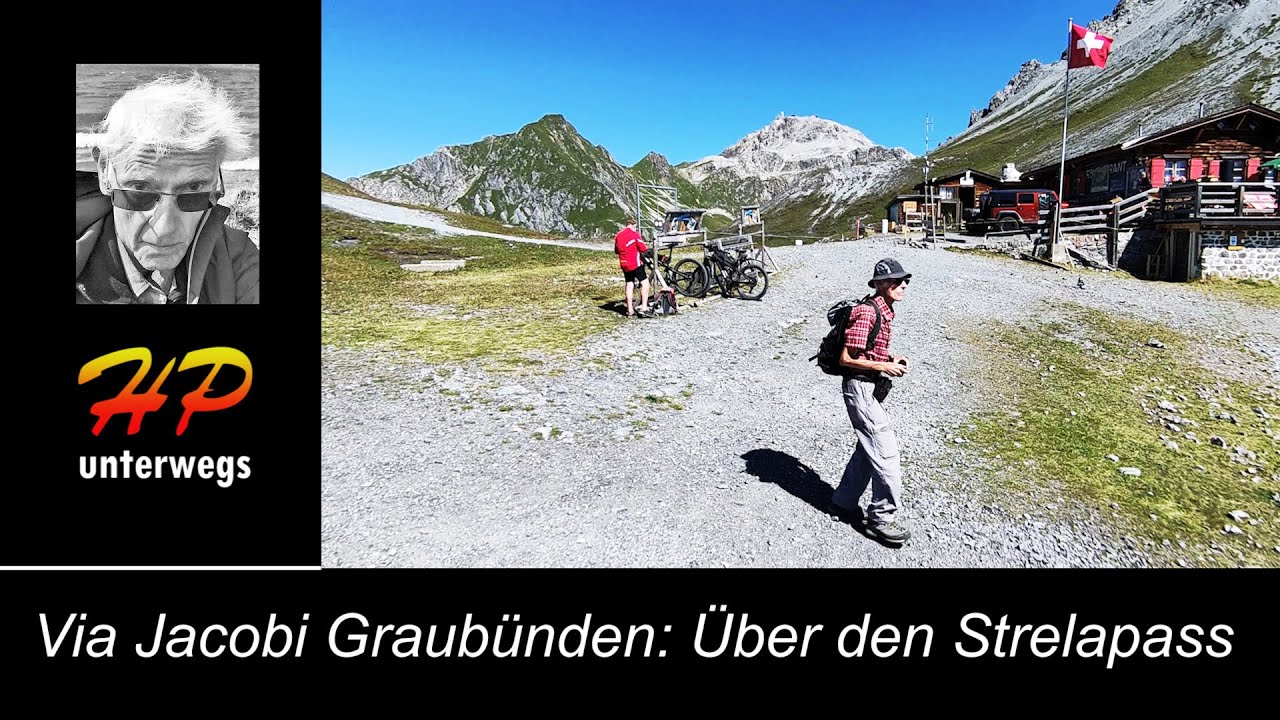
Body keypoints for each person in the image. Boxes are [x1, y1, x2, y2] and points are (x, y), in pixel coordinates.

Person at [76, 72, 259, 304]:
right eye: (140, 189)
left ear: (216, 181)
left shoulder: (237, 256)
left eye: (193, 189)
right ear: (105, 171)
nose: (165, 229)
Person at [830, 257, 913, 544]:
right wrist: (883, 367)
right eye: (896, 281)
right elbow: (847, 358)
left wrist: (890, 357)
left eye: (904, 281)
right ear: (879, 284)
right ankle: (881, 519)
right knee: (886, 453)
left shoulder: (884, 310)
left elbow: (869, 350)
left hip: (868, 388)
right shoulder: (867, 312)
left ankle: (843, 501)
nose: (902, 285)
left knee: (868, 449)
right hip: (860, 390)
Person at [614, 217, 651, 317]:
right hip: (635, 263)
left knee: (629, 284)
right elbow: (643, 248)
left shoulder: (618, 235)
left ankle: (630, 310)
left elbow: (616, 250)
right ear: (634, 226)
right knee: (645, 283)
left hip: (624, 263)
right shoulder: (635, 234)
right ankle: (644, 307)